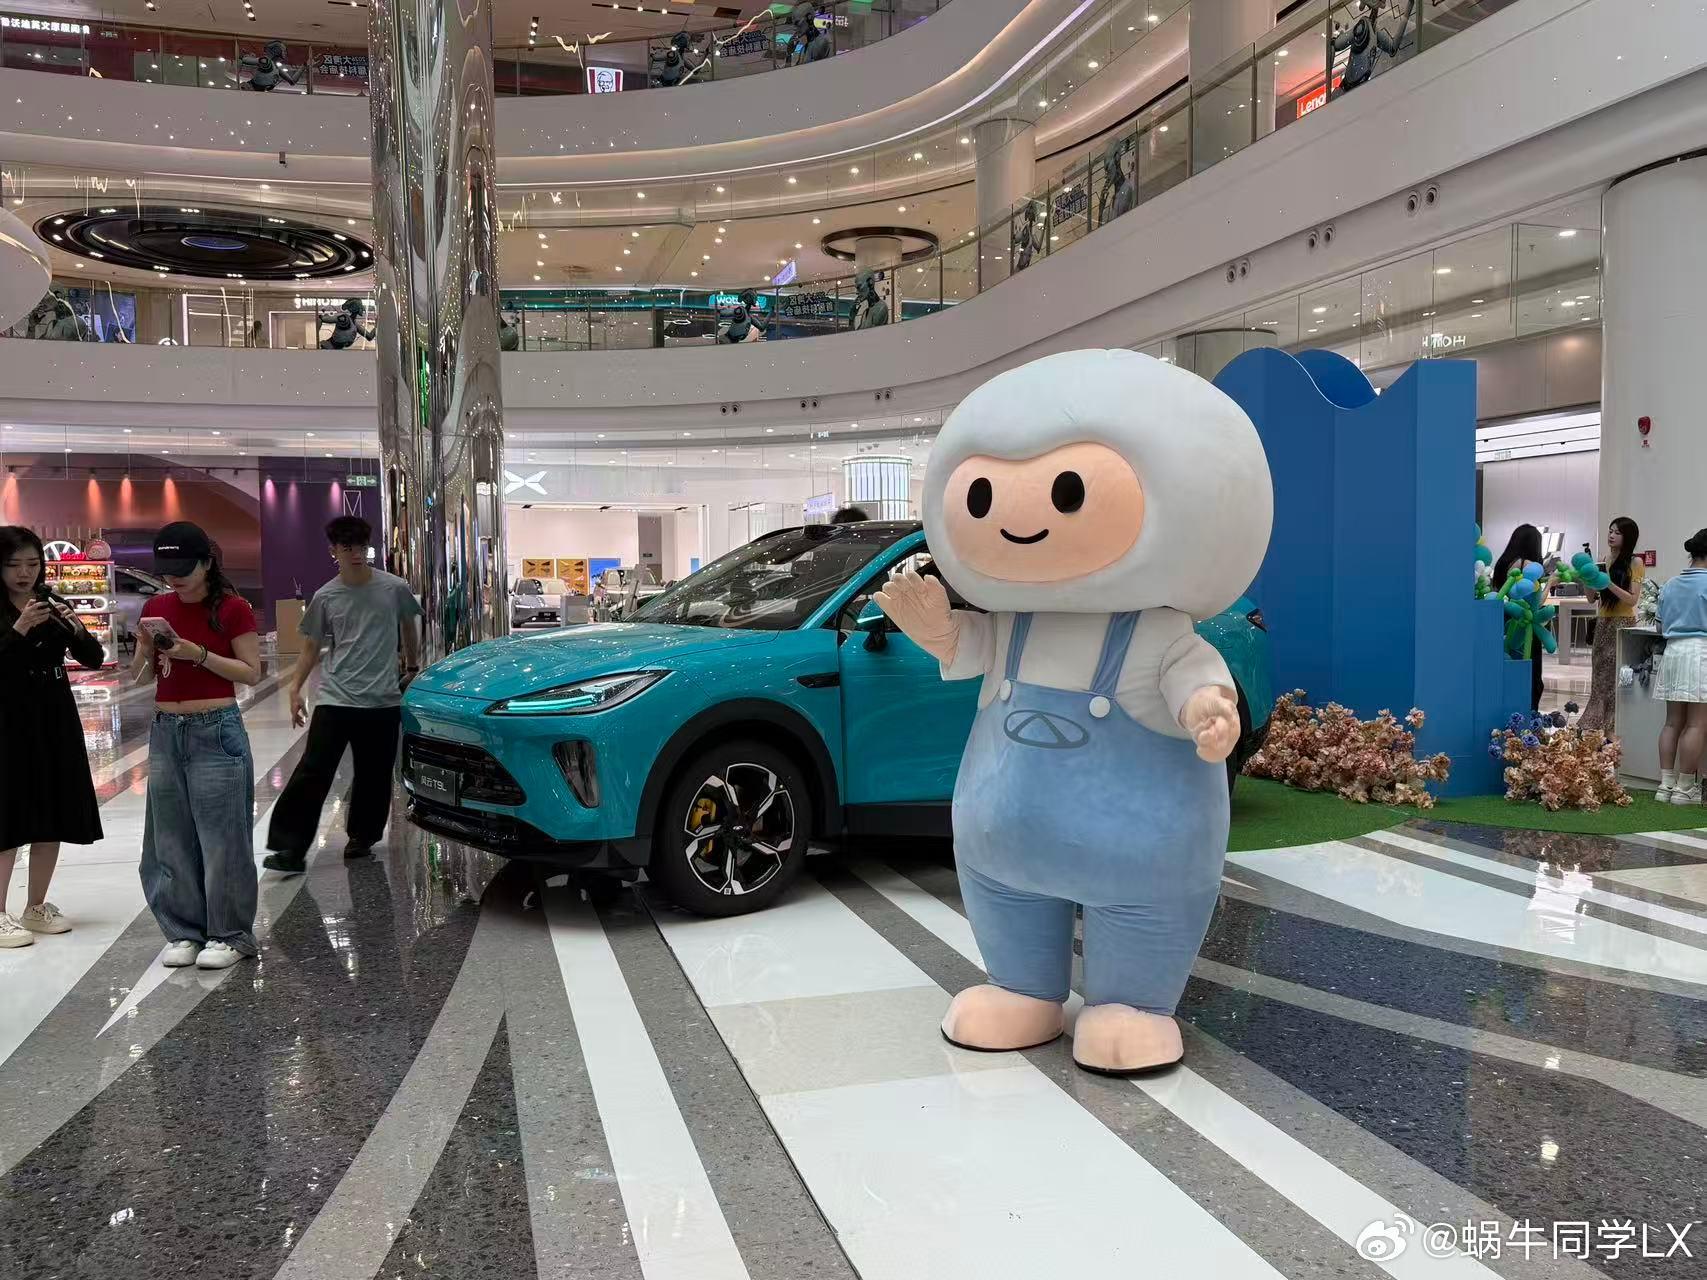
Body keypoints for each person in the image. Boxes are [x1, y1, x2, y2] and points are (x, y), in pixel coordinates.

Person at [134, 522, 265, 970]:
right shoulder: (156, 607)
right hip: (165, 729)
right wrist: (145, 646)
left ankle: (229, 933)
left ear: (207, 563)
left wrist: (199, 654)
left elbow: (251, 672)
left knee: (222, 837)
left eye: (184, 569)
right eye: (168, 570)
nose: (175, 578)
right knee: (168, 836)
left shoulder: (232, 608)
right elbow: (142, 676)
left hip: (216, 729)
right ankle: (184, 930)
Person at [263, 516, 421, 875]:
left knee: (374, 774)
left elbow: (409, 627)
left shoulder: (394, 588)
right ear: (333, 551)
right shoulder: (325, 596)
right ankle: (290, 848)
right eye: (347, 547)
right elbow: (310, 647)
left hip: (382, 700)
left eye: (361, 546)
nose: (356, 553)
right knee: (312, 770)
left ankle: (362, 838)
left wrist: (412, 666)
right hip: (335, 698)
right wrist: (295, 689)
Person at [0, 527, 105, 948]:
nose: (24, 573)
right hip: (8, 717)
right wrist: (19, 629)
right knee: (9, 814)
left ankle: (36, 906)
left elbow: (93, 658)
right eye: (13, 565)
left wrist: (77, 630)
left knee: (51, 808)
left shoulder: (51, 601)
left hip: (54, 712)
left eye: (32, 563)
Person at [1654, 529, 1707, 806]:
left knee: (1672, 722)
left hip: (1673, 652)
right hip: (1701, 653)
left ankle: (1665, 785)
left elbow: (1659, 626)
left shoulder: (1670, 584)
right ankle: (1685, 788)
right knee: (1697, 723)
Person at [1578, 516, 1643, 733]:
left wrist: (1608, 583)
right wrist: (1587, 578)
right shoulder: (1602, 560)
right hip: (1602, 623)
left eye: (1617, 532)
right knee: (1599, 676)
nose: (1611, 535)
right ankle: (1596, 725)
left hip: (1622, 623)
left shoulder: (1635, 562)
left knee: (1615, 675)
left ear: (1628, 537)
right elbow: (1591, 599)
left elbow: (1632, 600)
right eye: (1610, 531)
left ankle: (1613, 727)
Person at [1493, 523, 1550, 710]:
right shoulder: (1528, 566)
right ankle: (1528, 716)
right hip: (1524, 626)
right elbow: (1534, 604)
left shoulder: (1503, 564)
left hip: (1504, 623)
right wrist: (1551, 583)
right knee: (1530, 675)